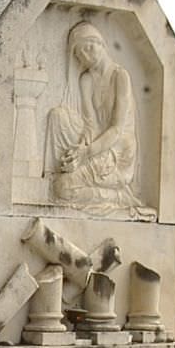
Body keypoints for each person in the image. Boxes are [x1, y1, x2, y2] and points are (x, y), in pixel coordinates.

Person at [46, 21, 143, 215]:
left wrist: (86, 153)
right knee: (58, 115)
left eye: (89, 47)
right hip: (97, 144)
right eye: (80, 52)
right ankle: (59, 169)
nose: (86, 55)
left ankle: (121, 197)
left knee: (62, 188)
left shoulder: (120, 76)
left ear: (101, 44)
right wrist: (79, 148)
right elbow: (90, 125)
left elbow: (116, 129)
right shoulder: (86, 80)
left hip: (118, 151)